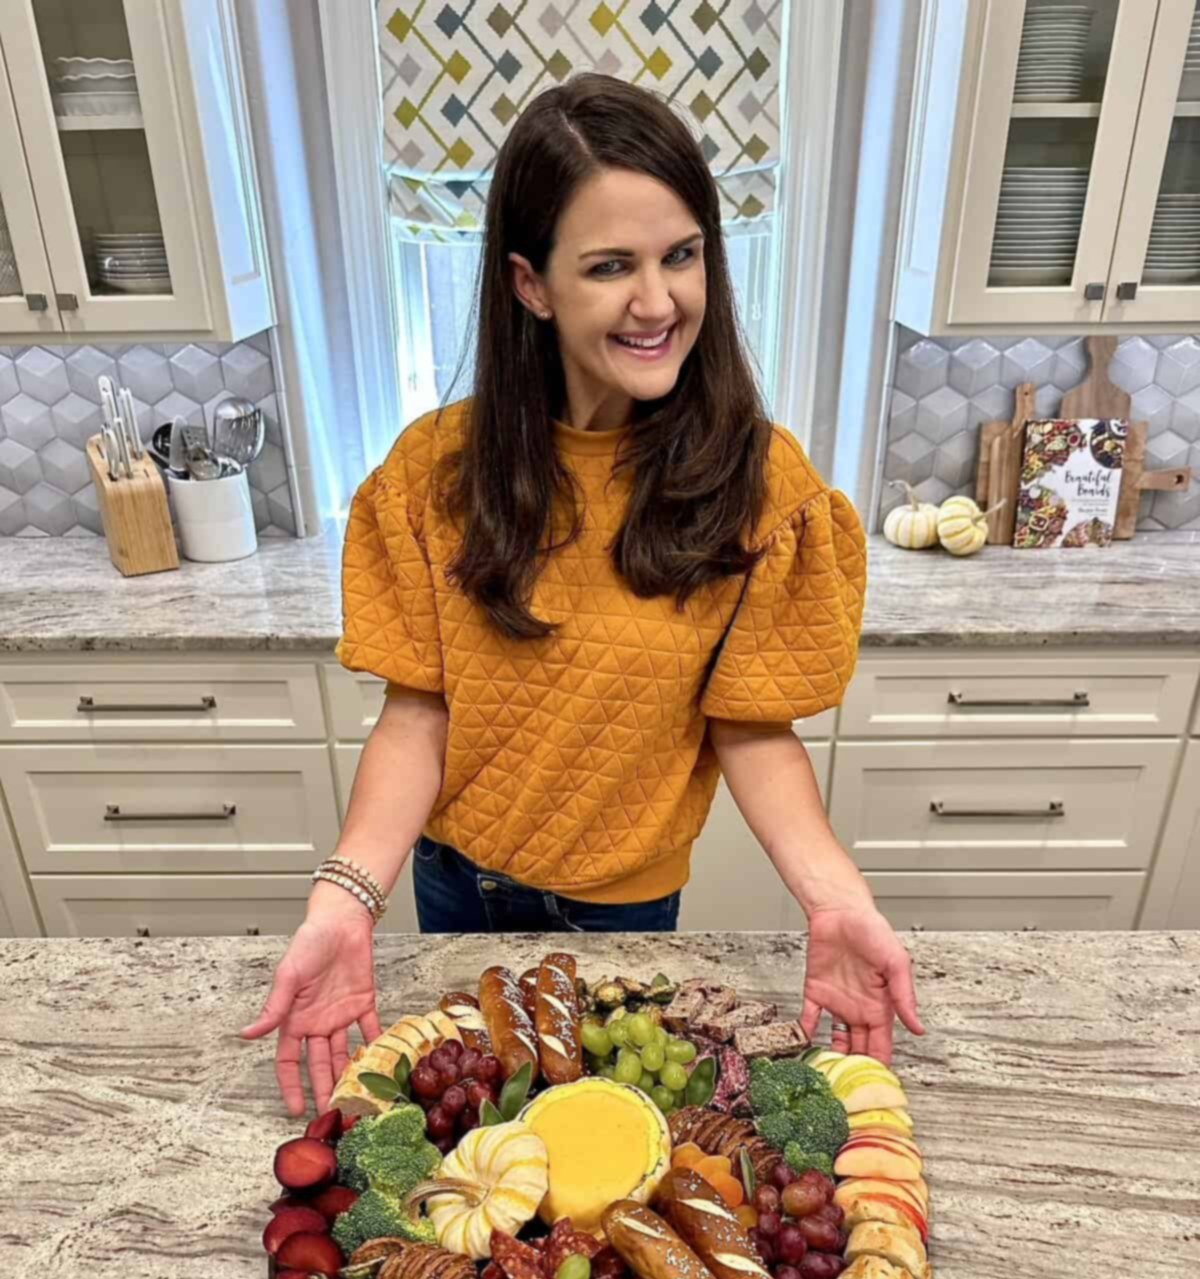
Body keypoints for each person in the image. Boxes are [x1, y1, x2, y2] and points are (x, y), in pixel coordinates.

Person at [243, 73, 923, 1116]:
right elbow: (419, 713)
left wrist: (836, 897)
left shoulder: (760, 485)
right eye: (611, 267)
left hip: (626, 904)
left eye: (681, 255)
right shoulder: (437, 473)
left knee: (596, 1130)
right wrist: (346, 897)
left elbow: (752, 729)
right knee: (482, 1132)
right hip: (452, 879)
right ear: (531, 284)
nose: (658, 301)